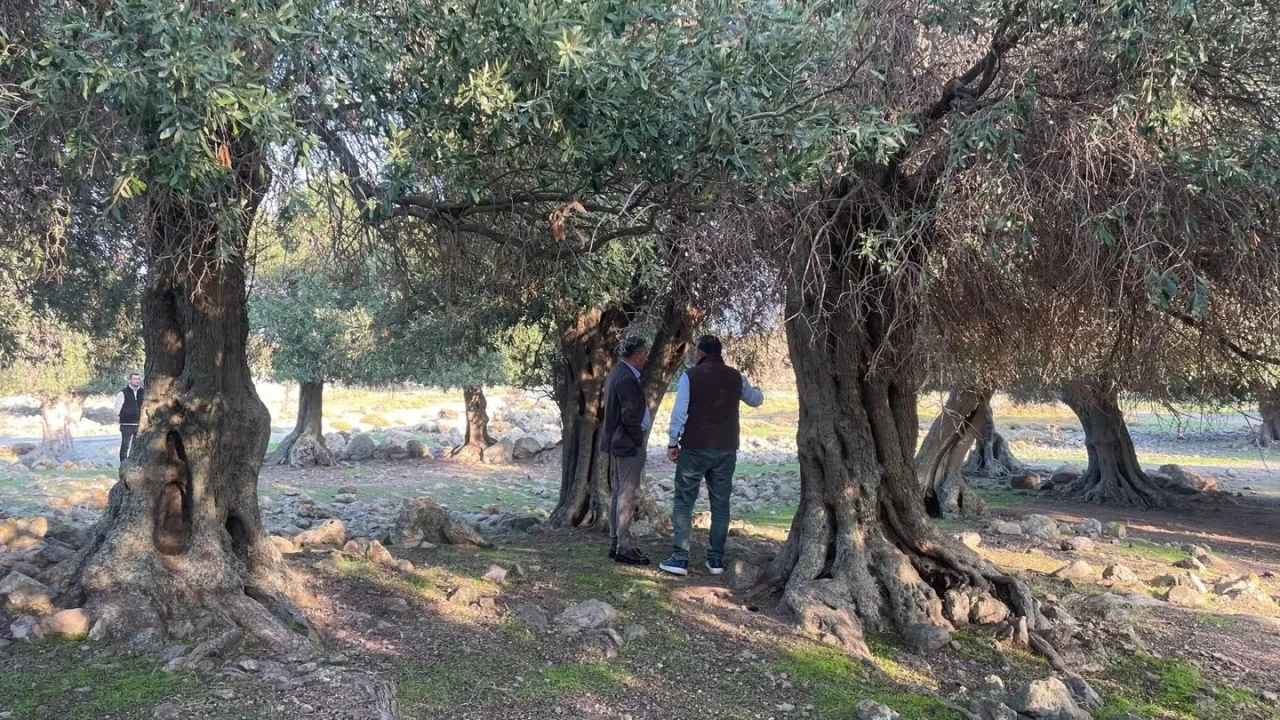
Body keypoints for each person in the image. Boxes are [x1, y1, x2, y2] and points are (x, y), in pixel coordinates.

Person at [660, 335, 764, 576]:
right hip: (726, 449)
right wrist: (760, 390)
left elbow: (679, 413)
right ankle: (715, 560)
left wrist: (672, 442)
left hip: (695, 448)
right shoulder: (736, 377)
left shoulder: (690, 376)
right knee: (720, 503)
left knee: (684, 501)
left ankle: (680, 558)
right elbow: (755, 400)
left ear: (700, 353)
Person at [602, 336, 653, 566]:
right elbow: (629, 415)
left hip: (617, 442)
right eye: (645, 354)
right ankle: (624, 545)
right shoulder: (626, 378)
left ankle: (616, 542)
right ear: (637, 355)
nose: (646, 359)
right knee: (627, 494)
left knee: (618, 491)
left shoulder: (616, 372)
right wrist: (638, 438)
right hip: (627, 443)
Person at [114, 372, 143, 462]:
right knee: (125, 446)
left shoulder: (143, 392)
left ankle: (136, 464)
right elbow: (117, 409)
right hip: (126, 424)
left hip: (140, 424)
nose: (137, 381)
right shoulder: (123, 393)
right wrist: (126, 415)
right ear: (129, 380)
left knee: (139, 446)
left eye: (138, 379)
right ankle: (123, 464)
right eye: (135, 379)